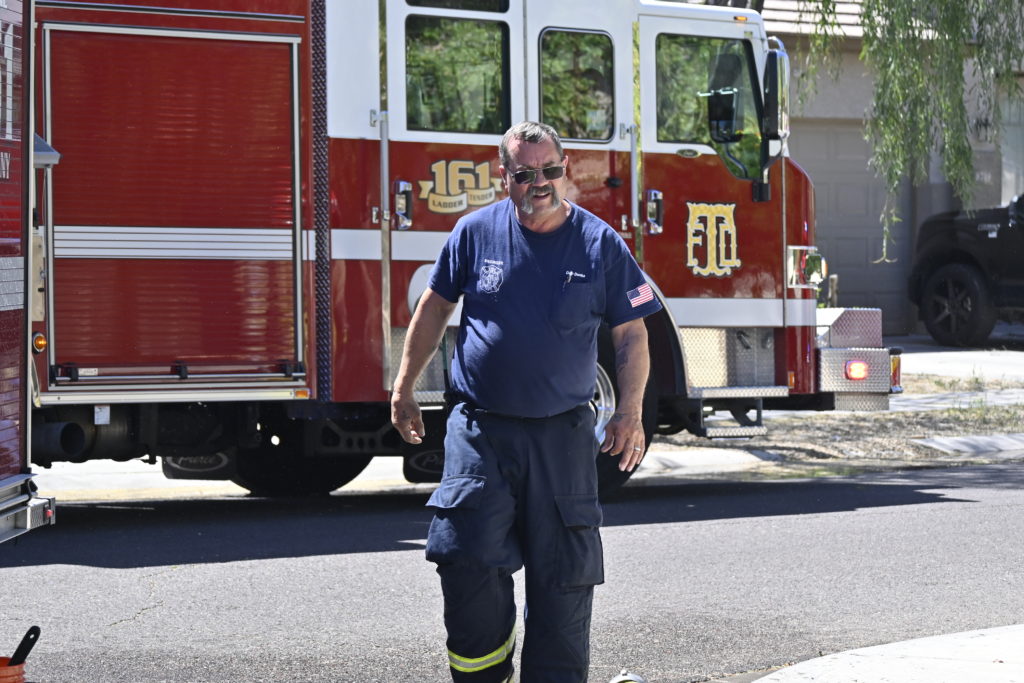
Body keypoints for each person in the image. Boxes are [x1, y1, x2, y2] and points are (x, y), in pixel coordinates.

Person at [391, 121, 662, 682]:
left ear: (566, 169)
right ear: (504, 176)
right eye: (524, 174)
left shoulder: (600, 244)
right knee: (464, 556)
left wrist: (629, 412)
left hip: (562, 436)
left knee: (564, 577)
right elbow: (434, 308)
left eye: (550, 170)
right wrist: (404, 387)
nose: (539, 183)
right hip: (480, 430)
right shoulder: (474, 233)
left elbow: (631, 335)